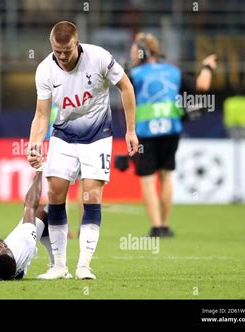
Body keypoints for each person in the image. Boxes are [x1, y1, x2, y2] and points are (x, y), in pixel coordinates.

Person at [27, 21, 139, 280]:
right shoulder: (45, 70)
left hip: (98, 135)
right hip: (64, 136)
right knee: (55, 192)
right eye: (57, 51)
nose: (62, 56)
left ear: (76, 44)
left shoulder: (99, 57)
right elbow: (42, 114)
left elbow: (126, 87)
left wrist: (131, 130)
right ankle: (59, 266)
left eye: (66, 50)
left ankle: (84, 265)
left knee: (91, 195)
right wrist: (35, 142)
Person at [128, 32, 217, 237]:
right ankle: (166, 225)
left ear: (141, 51)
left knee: (148, 180)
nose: (132, 53)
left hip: (145, 131)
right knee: (167, 176)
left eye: (134, 49)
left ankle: (156, 226)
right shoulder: (173, 71)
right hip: (172, 129)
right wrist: (207, 66)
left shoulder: (134, 74)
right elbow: (202, 86)